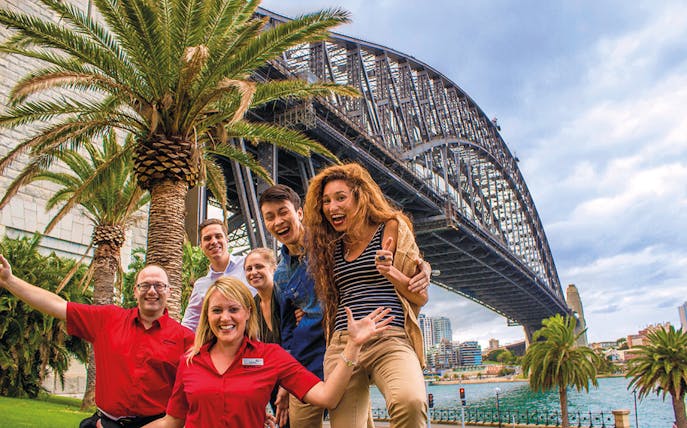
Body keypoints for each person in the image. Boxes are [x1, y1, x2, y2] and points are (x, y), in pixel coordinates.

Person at [143, 277, 394, 428]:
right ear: (207, 317)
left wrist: (353, 345)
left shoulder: (271, 356)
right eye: (217, 311)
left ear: (247, 314)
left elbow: (327, 397)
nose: (225, 318)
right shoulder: (190, 362)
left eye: (233, 309)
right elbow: (171, 422)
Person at [303, 163, 430, 427]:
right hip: (343, 344)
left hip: (389, 336)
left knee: (411, 402)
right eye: (326, 201)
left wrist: (390, 271)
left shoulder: (391, 228)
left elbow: (420, 298)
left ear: (360, 197)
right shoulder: (328, 245)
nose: (332, 207)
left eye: (340, 197)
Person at [0, 254, 194, 428]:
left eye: (159, 285)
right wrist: (9, 280)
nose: (152, 291)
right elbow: (57, 305)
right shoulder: (108, 319)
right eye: (145, 285)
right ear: (135, 291)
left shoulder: (186, 339)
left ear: (169, 291)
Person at [259, 184, 328, 427]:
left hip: (341, 354)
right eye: (269, 217)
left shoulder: (328, 246)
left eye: (283, 212)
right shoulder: (280, 275)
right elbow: (287, 331)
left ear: (299, 213)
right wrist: (287, 383)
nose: (277, 221)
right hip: (306, 362)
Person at [182, 218, 255, 331]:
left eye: (218, 236)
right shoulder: (201, 285)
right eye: (207, 238)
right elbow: (190, 323)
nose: (213, 241)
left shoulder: (249, 266)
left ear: (227, 239)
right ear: (201, 245)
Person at [244, 247, 289, 427]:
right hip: (273, 384)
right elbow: (253, 355)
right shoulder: (251, 308)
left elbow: (301, 344)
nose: (253, 272)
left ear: (273, 268)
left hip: (297, 378)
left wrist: (287, 386)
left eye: (259, 267)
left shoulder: (288, 298)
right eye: (249, 269)